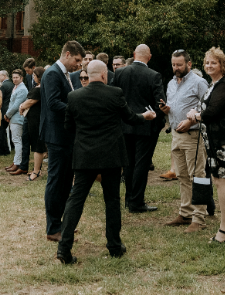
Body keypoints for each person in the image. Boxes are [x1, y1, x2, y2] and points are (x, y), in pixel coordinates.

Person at [56, 60, 157, 265]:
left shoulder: (74, 97)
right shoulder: (115, 93)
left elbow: (68, 126)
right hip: (111, 155)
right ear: (104, 75)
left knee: (76, 200)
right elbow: (129, 118)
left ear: (88, 75)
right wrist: (145, 116)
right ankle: (114, 246)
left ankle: (63, 248)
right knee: (112, 201)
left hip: (84, 156)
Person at [187, 47, 225, 244]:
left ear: (222, 65)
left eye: (214, 62)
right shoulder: (214, 84)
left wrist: (195, 115)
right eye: (207, 63)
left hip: (224, 144)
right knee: (220, 182)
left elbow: (212, 112)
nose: (209, 66)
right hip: (214, 143)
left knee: (222, 182)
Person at [40, 40, 85, 241]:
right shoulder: (52, 74)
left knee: (66, 181)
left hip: (65, 136)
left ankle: (63, 225)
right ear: (67, 54)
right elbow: (53, 102)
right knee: (57, 182)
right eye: (76, 60)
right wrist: (77, 109)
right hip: (57, 137)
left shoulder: (64, 74)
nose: (78, 65)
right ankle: (53, 228)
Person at [159, 50, 209, 232]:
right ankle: (186, 212)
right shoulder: (171, 83)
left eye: (179, 65)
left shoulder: (199, 82)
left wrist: (191, 120)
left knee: (198, 176)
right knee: (181, 175)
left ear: (189, 63)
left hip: (193, 135)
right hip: (175, 135)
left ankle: (199, 218)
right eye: (173, 64)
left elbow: (207, 107)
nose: (176, 68)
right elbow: (175, 106)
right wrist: (166, 110)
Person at [113, 43, 165, 213]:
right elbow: (160, 103)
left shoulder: (120, 72)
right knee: (142, 164)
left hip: (125, 124)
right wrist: (158, 124)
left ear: (134, 54)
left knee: (128, 164)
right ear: (149, 57)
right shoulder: (154, 75)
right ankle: (136, 201)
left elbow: (115, 98)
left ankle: (129, 199)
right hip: (145, 126)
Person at [15, 66, 47, 180]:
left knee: (37, 146)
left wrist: (21, 106)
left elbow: (30, 101)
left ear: (38, 76)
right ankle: (36, 169)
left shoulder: (39, 89)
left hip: (36, 120)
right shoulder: (39, 87)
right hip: (32, 119)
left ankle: (36, 171)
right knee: (36, 145)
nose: (32, 77)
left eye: (34, 75)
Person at [4, 70, 28, 173]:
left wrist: (7, 114)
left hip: (18, 118)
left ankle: (18, 163)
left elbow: (16, 105)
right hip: (14, 118)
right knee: (15, 140)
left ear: (21, 78)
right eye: (13, 77)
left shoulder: (22, 89)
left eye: (16, 77)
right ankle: (15, 161)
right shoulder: (16, 87)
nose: (14, 79)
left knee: (17, 141)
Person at [0, 70, 13, 156]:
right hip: (10, 110)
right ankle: (9, 147)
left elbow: (0, 99)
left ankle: (4, 150)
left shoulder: (3, 86)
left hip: (3, 111)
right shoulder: (11, 84)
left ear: (4, 76)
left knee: (1, 131)